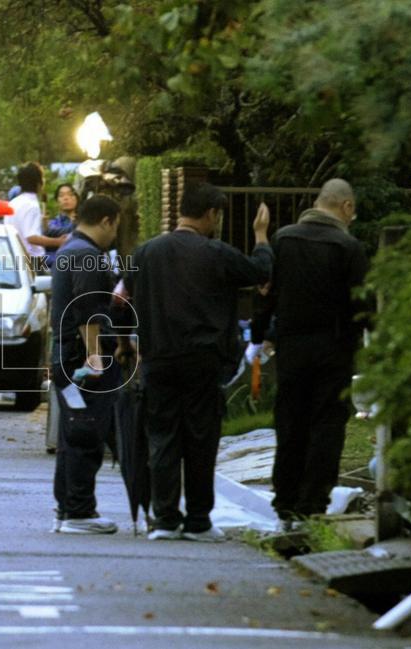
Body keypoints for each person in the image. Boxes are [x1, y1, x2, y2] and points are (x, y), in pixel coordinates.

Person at [129, 182, 272, 542]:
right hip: (202, 359)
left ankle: (164, 519)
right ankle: (197, 519)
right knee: (200, 439)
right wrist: (261, 235)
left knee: (162, 437)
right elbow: (259, 271)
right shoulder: (216, 253)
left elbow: (125, 294)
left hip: (158, 358)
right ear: (211, 214)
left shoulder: (146, 253)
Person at [250, 179, 368, 529]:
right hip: (334, 347)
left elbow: (267, 291)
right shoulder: (349, 247)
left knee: (291, 420)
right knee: (327, 424)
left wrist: (260, 333)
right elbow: (362, 304)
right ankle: (313, 500)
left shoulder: (285, 238)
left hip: (292, 345)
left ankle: (285, 498)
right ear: (346, 207)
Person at [50, 195, 124, 535]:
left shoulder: (69, 249)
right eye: (117, 225)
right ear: (107, 221)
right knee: (87, 431)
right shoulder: (87, 255)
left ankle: (68, 508)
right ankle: (79, 512)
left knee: (73, 432)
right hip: (82, 360)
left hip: (66, 357)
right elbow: (87, 312)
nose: (116, 233)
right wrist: (95, 359)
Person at [8, 162, 68, 271]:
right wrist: (58, 241)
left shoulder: (13, 203)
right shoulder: (32, 205)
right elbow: (31, 237)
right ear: (39, 183)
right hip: (33, 262)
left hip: (15, 258)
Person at [44, 183, 78, 267]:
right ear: (57, 201)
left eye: (70, 194)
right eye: (61, 195)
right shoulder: (51, 224)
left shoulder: (84, 221)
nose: (66, 198)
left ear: (77, 199)